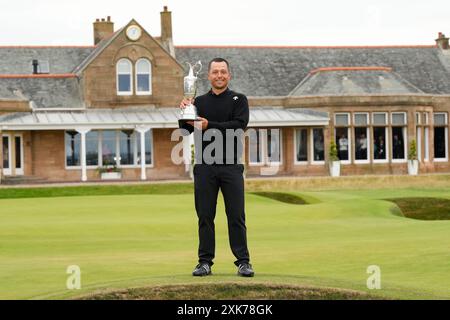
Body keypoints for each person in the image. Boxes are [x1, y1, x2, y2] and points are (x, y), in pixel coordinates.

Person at [178, 57, 254, 277]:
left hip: (231, 166)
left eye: (223, 71)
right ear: (209, 76)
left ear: (229, 75)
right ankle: (204, 262)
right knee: (205, 216)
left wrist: (209, 124)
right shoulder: (198, 101)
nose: (219, 75)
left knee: (236, 215)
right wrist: (184, 110)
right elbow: (185, 131)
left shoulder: (239, 100)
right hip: (204, 167)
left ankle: (243, 261)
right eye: (215, 72)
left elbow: (238, 126)